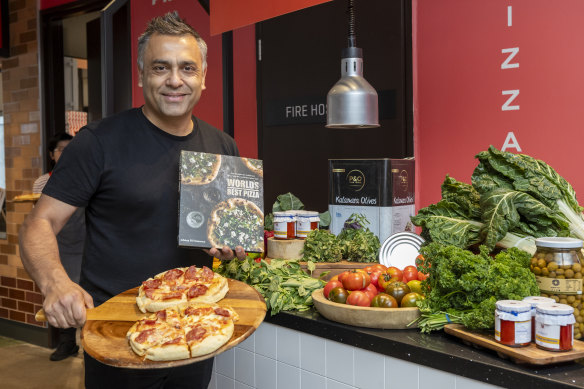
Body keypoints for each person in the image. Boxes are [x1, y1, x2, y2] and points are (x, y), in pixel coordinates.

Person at [19, 12, 246, 389]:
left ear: (204, 78)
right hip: (116, 334)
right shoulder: (97, 142)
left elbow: (224, 234)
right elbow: (38, 223)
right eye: (161, 67)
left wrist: (230, 247)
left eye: (187, 68)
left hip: (196, 326)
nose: (175, 79)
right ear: (141, 75)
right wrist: (56, 283)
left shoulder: (222, 146)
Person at [32, 131, 86, 361]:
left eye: (70, 148)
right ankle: (67, 343)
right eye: (61, 149)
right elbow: (38, 220)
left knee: (87, 293)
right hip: (58, 245)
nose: (65, 153)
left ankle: (89, 345)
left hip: (84, 242)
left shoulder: (87, 176)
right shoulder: (42, 182)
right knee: (62, 291)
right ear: (52, 155)